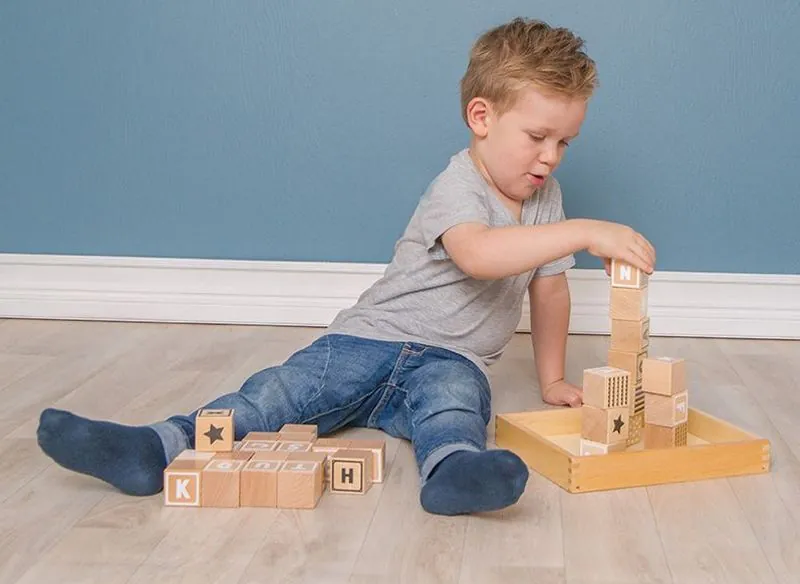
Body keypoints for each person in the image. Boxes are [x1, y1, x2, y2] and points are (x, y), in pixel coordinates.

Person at [36, 17, 655, 516]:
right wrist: (584, 231)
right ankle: (156, 444)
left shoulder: (546, 201)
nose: (550, 157)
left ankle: (453, 472)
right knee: (278, 394)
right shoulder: (458, 184)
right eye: (538, 136)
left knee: (456, 406)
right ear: (482, 118)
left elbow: (550, 291)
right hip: (367, 338)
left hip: (453, 357)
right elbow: (478, 255)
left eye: (564, 143)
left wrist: (551, 380)